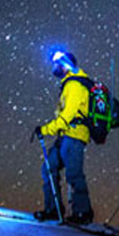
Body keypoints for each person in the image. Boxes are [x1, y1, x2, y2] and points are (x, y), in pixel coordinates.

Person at [32, 50, 94, 225]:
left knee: (73, 173)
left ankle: (83, 213)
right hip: (66, 135)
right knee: (48, 168)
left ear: (66, 66)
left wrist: (46, 129)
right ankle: (53, 209)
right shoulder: (68, 84)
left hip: (74, 135)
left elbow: (67, 116)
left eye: (58, 64)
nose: (55, 68)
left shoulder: (75, 86)